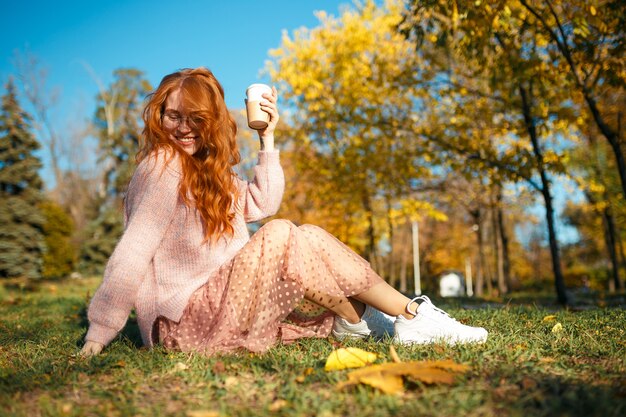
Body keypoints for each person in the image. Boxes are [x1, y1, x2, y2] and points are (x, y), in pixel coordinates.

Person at [80, 67, 487, 356]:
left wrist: (268, 138)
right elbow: (133, 249)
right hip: (182, 326)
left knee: (304, 232)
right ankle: (395, 317)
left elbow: (262, 203)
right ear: (159, 116)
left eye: (196, 118)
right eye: (173, 116)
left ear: (212, 121)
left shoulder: (205, 172)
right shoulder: (161, 166)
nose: (184, 127)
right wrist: (100, 331)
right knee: (280, 233)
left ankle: (400, 315)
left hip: (224, 308)